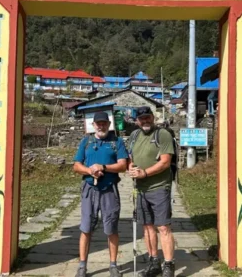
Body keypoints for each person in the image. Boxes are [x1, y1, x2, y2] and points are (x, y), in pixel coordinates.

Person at [73, 111, 129, 277]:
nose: (101, 126)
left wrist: (103, 167)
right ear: (93, 125)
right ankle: (82, 266)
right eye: (98, 123)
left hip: (109, 189)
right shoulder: (86, 142)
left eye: (104, 123)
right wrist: (90, 170)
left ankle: (113, 265)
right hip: (89, 189)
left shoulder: (117, 142)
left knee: (111, 228)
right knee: (86, 227)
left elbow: (123, 165)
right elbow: (76, 165)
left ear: (109, 124)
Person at [128, 106, 176, 277]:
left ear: (153, 118)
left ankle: (169, 265)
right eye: (142, 119)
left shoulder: (162, 135)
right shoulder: (134, 136)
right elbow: (131, 159)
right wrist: (131, 169)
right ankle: (154, 260)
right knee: (147, 227)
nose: (145, 121)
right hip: (140, 189)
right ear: (137, 121)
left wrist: (145, 173)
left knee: (163, 226)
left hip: (159, 187)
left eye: (148, 117)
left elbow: (165, 162)